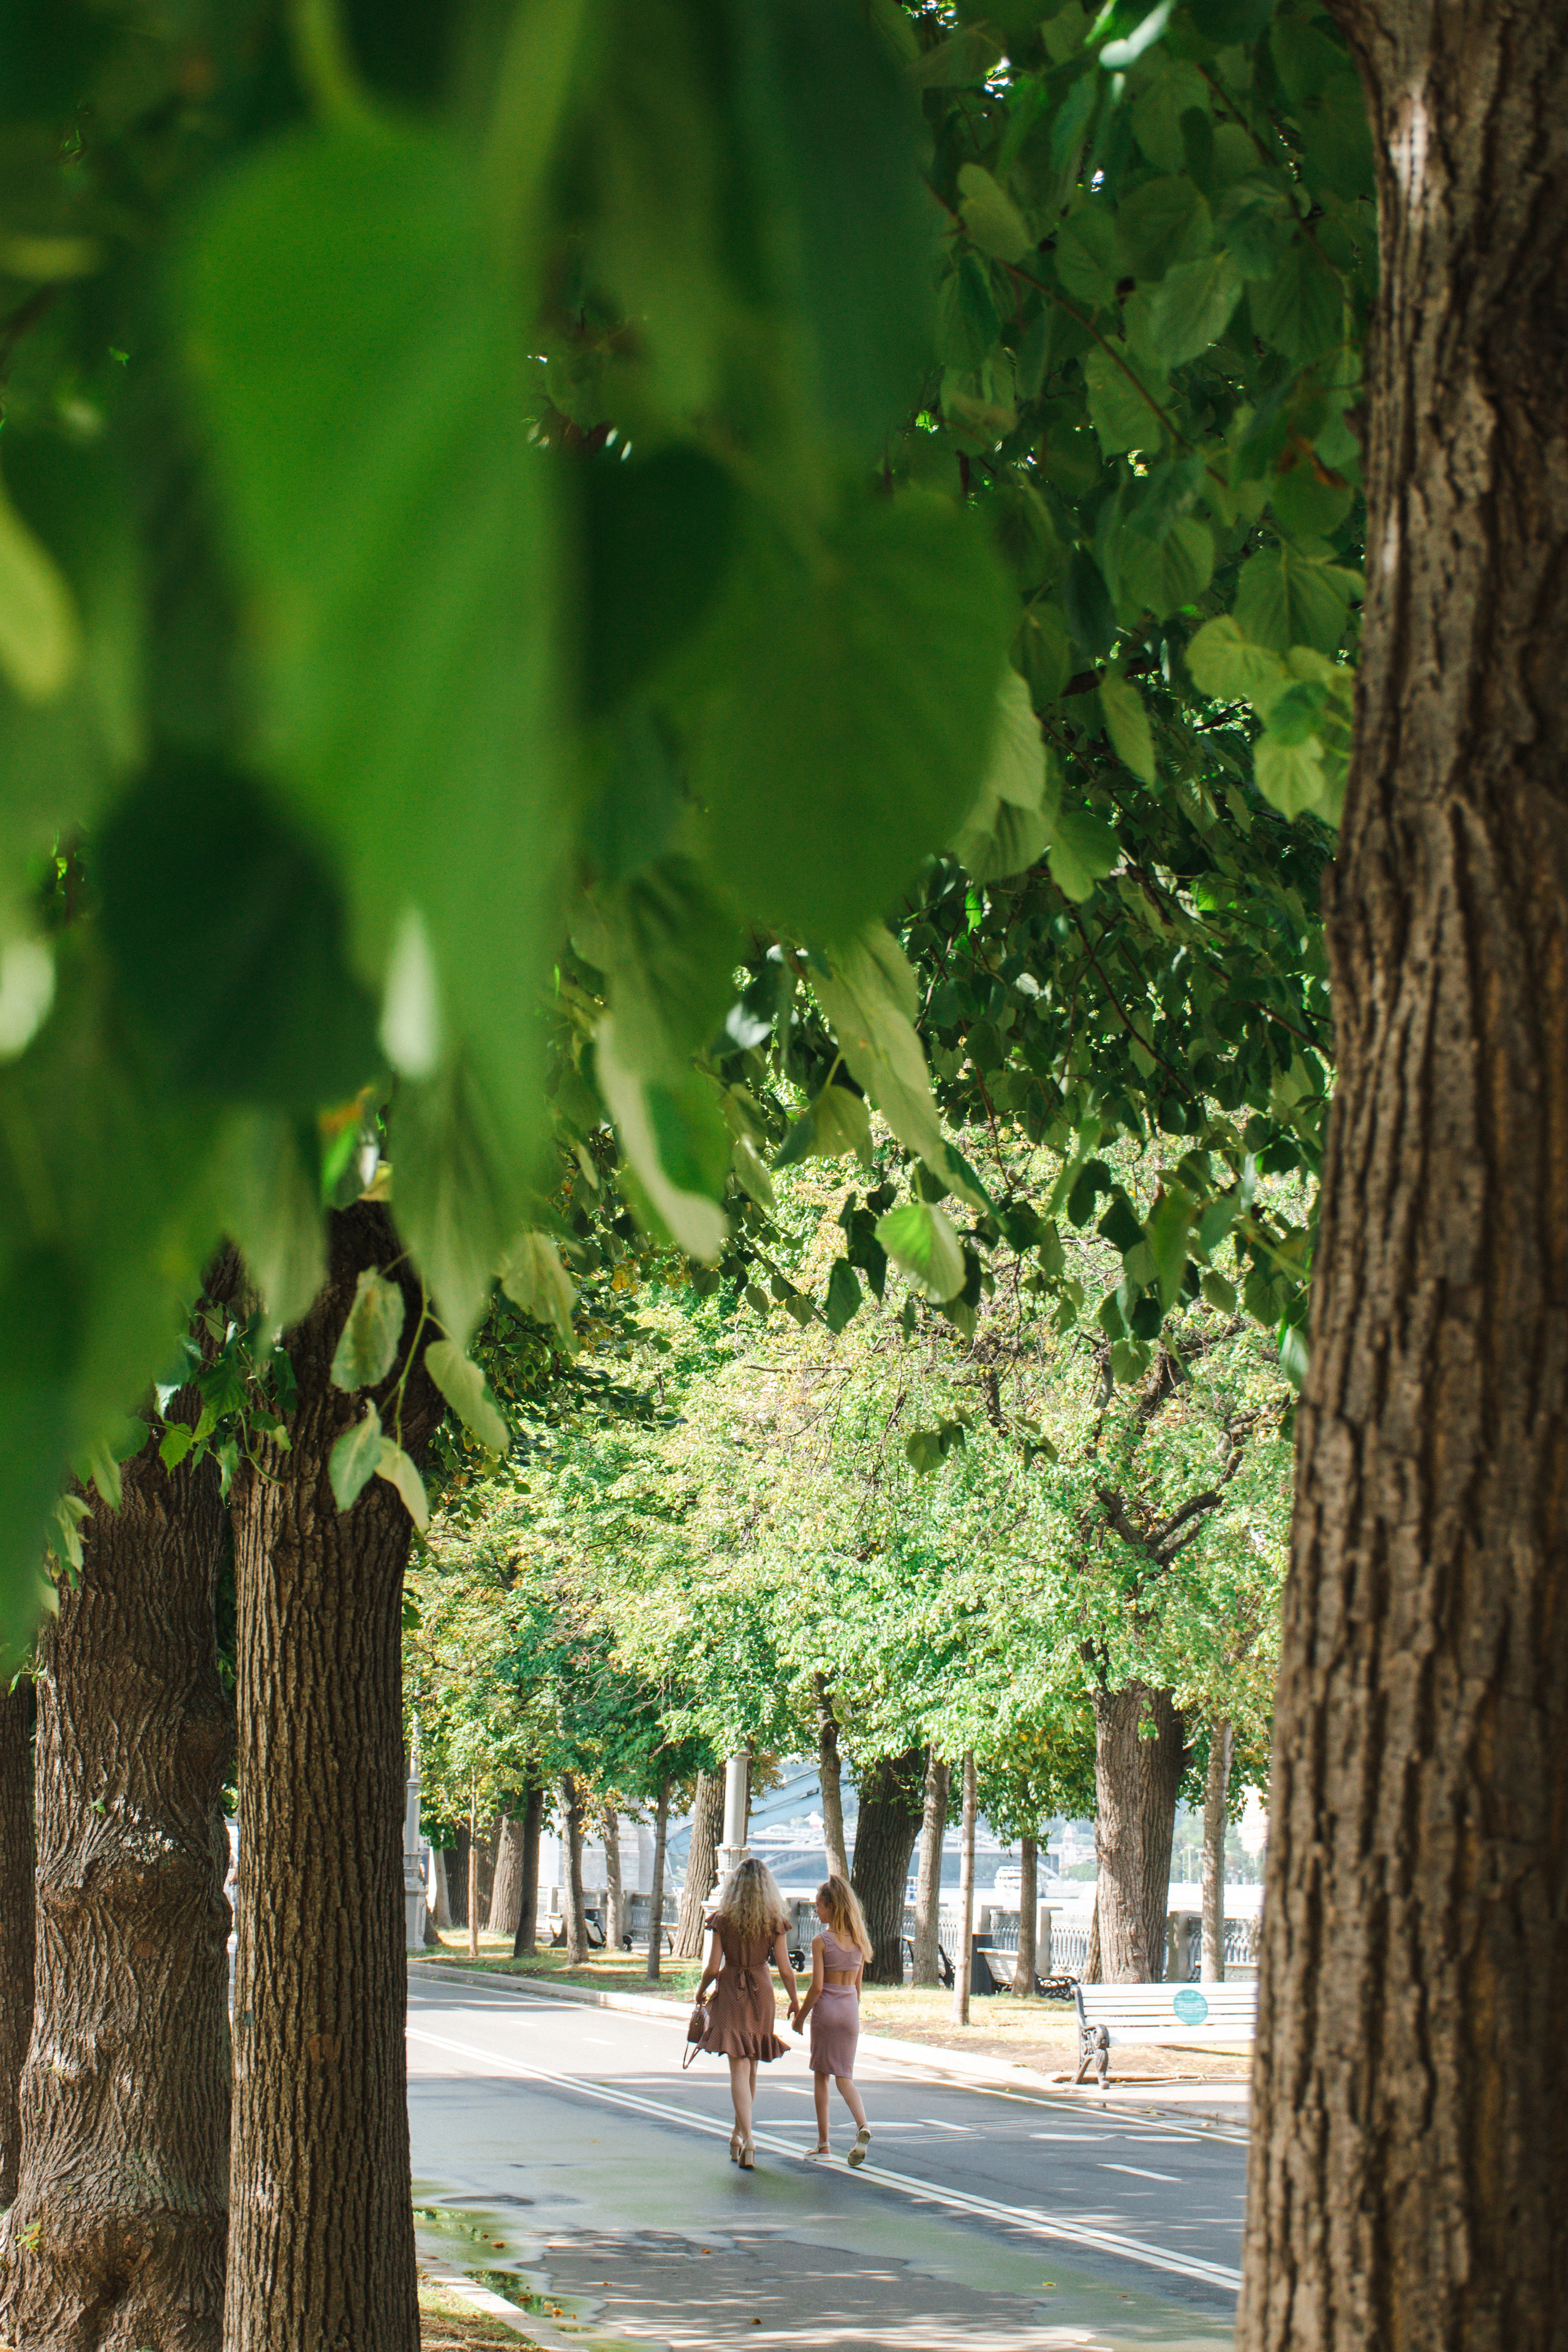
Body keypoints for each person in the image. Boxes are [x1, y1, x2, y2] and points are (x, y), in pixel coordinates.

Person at [693, 1856, 799, 2169]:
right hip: (762, 1991)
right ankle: (738, 2136)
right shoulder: (774, 1923)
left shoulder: (722, 1920)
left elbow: (713, 1967)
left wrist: (701, 1991)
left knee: (739, 2067)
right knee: (751, 2064)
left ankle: (748, 2139)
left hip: (731, 1989)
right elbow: (785, 1969)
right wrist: (794, 2001)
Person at [793, 1874, 874, 2166]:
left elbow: (816, 1988)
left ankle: (824, 2144)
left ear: (832, 1908)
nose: (816, 1911)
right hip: (850, 2011)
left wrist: (799, 2019)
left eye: (819, 1906)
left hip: (827, 2012)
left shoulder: (821, 1942)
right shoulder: (860, 1942)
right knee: (845, 2078)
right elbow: (857, 1988)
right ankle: (863, 2125)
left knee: (821, 2077)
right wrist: (851, 2013)